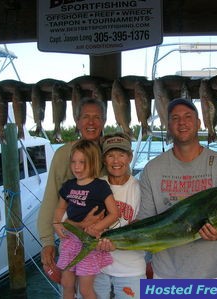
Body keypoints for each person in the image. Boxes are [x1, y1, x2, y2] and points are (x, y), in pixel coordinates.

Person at [137, 98, 217, 278]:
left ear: (199, 123)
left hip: (212, 273)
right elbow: (146, 222)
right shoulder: (152, 169)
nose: (182, 122)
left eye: (188, 116)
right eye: (175, 118)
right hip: (166, 273)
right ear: (168, 125)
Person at [38, 98, 107, 271]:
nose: (91, 122)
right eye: (85, 117)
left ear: (104, 122)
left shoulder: (111, 153)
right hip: (72, 242)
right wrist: (47, 241)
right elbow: (51, 198)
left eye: (97, 117)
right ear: (77, 122)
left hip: (106, 243)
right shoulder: (63, 154)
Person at [53, 139, 120, 299]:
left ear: (93, 162)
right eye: (74, 162)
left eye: (82, 162)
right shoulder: (68, 185)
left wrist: (97, 228)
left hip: (89, 244)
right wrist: (56, 223)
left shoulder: (100, 186)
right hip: (69, 242)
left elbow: (114, 213)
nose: (77, 167)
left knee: (85, 290)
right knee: (66, 284)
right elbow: (60, 208)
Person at [93, 133, 146, 299]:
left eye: (121, 155)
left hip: (132, 271)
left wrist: (117, 243)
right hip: (97, 269)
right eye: (110, 155)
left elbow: (144, 230)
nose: (116, 161)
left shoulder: (141, 189)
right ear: (103, 159)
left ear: (129, 157)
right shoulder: (94, 186)